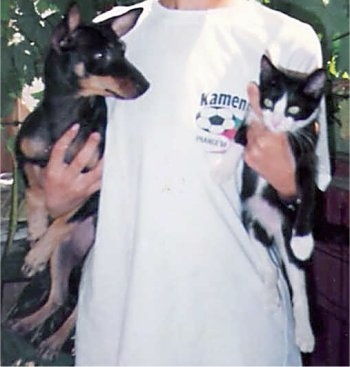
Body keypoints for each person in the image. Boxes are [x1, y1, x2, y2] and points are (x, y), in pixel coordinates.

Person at [42, 0, 331, 365]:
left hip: (239, 335)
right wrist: (58, 200)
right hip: (120, 329)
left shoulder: (285, 39)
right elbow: (72, 166)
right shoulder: (111, 35)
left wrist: (286, 179)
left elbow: (307, 205)